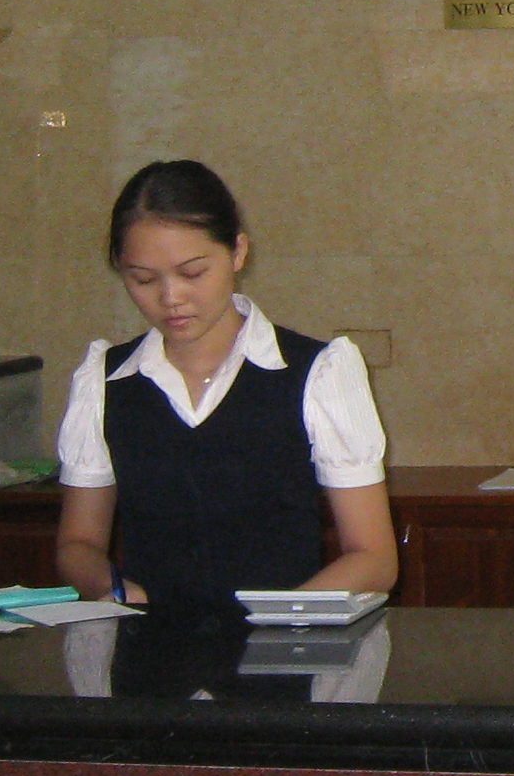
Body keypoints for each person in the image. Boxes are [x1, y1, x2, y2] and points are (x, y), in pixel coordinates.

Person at [53, 160, 396, 620]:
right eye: (144, 279)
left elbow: (374, 559)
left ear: (238, 252)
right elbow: (78, 543)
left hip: (284, 649)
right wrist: (109, 586)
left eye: (193, 273)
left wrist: (275, 621)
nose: (171, 297)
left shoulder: (317, 372)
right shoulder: (105, 378)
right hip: (151, 653)